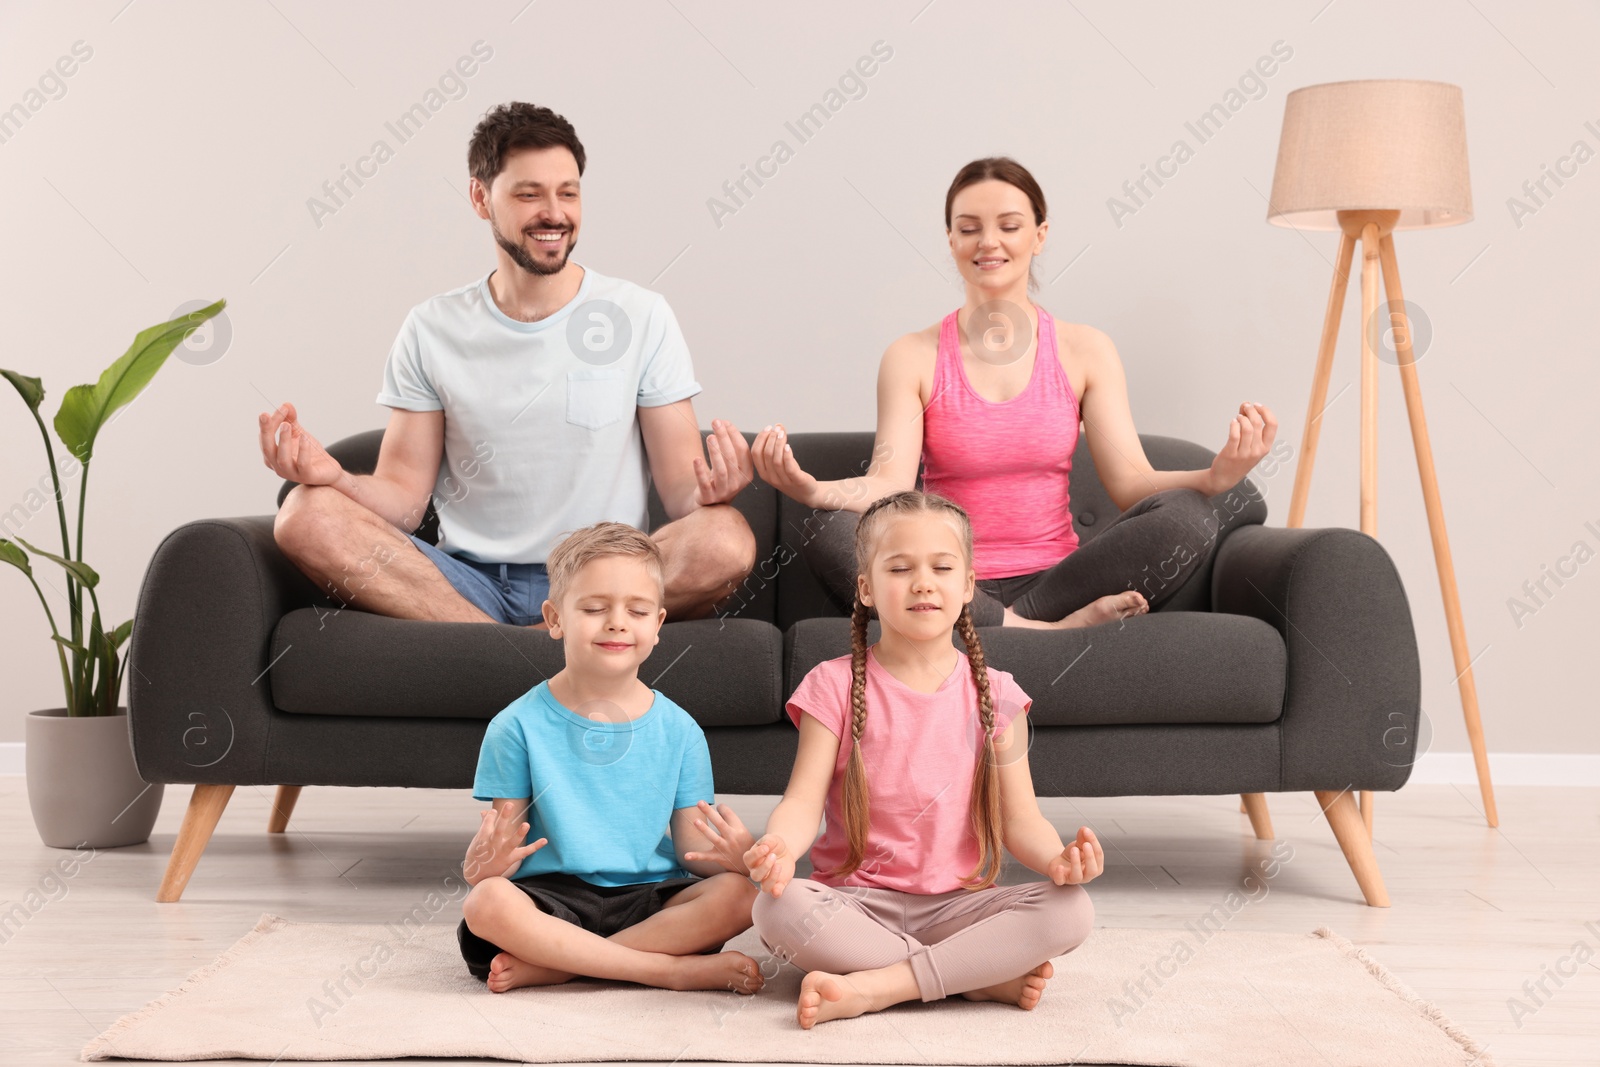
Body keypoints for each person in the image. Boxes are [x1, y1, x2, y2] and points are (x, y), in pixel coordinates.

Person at [260, 102, 757, 628]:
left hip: (603, 579)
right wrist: (335, 478)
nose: (555, 213)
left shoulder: (641, 315)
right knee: (304, 515)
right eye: (529, 194)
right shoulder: (433, 327)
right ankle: (522, 647)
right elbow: (405, 503)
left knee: (726, 537)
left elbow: (683, 490)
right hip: (469, 586)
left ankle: (514, 652)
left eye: (568, 193)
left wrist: (711, 492)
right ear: (480, 198)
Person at [749, 156, 1277, 629]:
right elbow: (887, 484)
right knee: (825, 530)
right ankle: (1040, 634)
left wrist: (1216, 477)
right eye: (969, 228)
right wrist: (813, 490)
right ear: (951, 240)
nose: (988, 242)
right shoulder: (911, 355)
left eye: (1009, 226)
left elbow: (1131, 484)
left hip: (1058, 580)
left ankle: (996, 628)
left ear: (1040, 235)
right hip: (946, 580)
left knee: (1189, 515)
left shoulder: (1085, 350)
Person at [731, 491, 1102, 1028]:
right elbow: (801, 803)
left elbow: (1021, 820)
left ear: (968, 585)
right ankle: (970, 977)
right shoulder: (832, 685)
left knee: (1072, 909)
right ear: (867, 588)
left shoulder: (999, 696)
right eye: (900, 568)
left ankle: (880, 987)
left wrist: (1058, 862)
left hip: (960, 909)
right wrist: (780, 847)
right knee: (774, 907)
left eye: (942, 567)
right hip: (856, 905)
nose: (923, 582)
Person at [457, 522, 765, 993]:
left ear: (657, 626)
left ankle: (563, 965)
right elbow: (503, 854)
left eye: (637, 610)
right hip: (549, 898)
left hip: (647, 899)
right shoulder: (514, 726)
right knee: (486, 904)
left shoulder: (680, 730)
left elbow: (692, 851)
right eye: (595, 608)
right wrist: (481, 868)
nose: (617, 622)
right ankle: (664, 970)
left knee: (740, 896)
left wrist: (741, 859)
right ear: (555, 618)